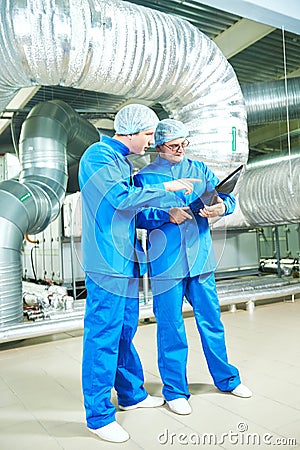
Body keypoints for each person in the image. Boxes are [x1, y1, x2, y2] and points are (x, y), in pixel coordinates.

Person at [78, 105, 200, 443]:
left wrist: (166, 214)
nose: (151, 141)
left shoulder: (123, 162)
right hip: (106, 263)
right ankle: (99, 415)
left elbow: (135, 214)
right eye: (149, 135)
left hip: (127, 259)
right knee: (103, 335)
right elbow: (119, 199)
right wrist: (168, 188)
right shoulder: (98, 155)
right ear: (131, 131)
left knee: (124, 330)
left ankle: (130, 394)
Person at [134, 118, 252, 416]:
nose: (180, 150)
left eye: (184, 144)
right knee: (171, 328)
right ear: (159, 145)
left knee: (212, 322)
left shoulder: (198, 169)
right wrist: (165, 214)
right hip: (167, 264)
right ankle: (175, 390)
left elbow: (225, 197)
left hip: (200, 260)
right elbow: (136, 215)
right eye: (174, 146)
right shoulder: (145, 177)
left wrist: (220, 207)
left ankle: (227, 379)